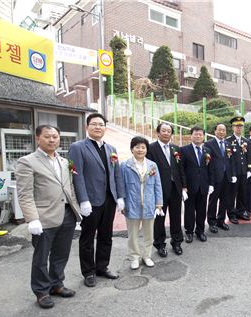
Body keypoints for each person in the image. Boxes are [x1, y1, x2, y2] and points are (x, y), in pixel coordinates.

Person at [15, 125, 81, 309]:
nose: (52, 140)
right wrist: (32, 218)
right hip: (43, 217)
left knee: (61, 254)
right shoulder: (27, 161)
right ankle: (41, 292)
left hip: (67, 215)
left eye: (55, 137)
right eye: (47, 137)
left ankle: (56, 284)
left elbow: (69, 188)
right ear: (38, 138)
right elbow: (25, 194)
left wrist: (77, 212)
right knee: (41, 257)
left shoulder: (63, 161)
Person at [69, 113, 124, 287]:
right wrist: (83, 200)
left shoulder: (111, 149)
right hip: (91, 201)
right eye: (94, 124)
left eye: (101, 124)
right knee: (87, 237)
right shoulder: (78, 147)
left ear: (105, 128)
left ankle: (102, 266)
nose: (98, 127)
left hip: (109, 199)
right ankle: (88, 272)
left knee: (106, 235)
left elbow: (117, 174)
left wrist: (120, 196)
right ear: (87, 127)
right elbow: (76, 175)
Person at [121, 137, 163, 270]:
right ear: (132, 149)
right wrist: (122, 202)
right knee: (132, 234)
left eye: (143, 147)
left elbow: (158, 185)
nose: (140, 150)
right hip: (131, 204)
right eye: (137, 147)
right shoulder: (125, 165)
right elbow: (121, 185)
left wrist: (159, 203)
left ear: (146, 149)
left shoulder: (152, 165)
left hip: (149, 204)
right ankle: (134, 257)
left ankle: (147, 256)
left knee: (149, 233)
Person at [146, 122, 186, 257]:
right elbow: (149, 170)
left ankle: (177, 242)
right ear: (158, 133)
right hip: (159, 190)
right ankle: (160, 244)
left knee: (176, 217)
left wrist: (184, 187)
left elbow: (180, 169)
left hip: (175, 188)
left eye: (169, 131)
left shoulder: (176, 148)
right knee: (159, 219)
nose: (166, 133)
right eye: (163, 131)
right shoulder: (151, 148)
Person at [181, 126, 213, 243]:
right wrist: (183, 186)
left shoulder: (207, 151)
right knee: (189, 211)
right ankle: (189, 232)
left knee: (201, 210)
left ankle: (200, 231)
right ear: (191, 135)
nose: (198, 136)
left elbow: (210, 169)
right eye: (196, 134)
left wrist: (211, 184)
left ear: (203, 136)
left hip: (203, 186)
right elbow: (182, 170)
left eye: (200, 134)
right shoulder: (183, 150)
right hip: (189, 187)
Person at [205, 123, 236, 233]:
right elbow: (207, 163)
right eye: (219, 130)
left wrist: (233, 174)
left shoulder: (228, 144)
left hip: (227, 177)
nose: (222, 132)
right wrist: (210, 181)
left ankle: (221, 221)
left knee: (225, 201)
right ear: (215, 131)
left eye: (223, 130)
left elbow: (231, 161)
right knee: (213, 201)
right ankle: (212, 222)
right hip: (215, 177)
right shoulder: (208, 144)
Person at [226, 116, 250, 223]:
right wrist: (232, 174)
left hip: (244, 172)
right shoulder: (228, 141)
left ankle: (241, 211)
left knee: (242, 193)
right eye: (237, 126)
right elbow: (228, 159)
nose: (239, 128)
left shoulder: (246, 140)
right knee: (231, 195)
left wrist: (249, 169)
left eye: (241, 126)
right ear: (233, 127)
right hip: (234, 173)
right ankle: (231, 214)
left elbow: (248, 157)